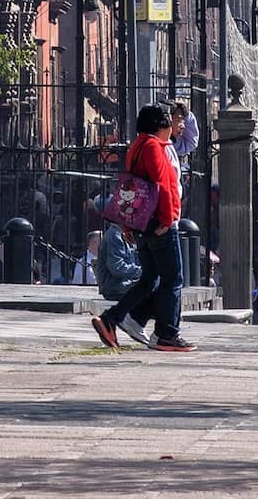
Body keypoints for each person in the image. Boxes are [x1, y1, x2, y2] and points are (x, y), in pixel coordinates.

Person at [91, 104, 194, 352]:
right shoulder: (153, 147)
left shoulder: (137, 147)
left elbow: (133, 188)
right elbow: (162, 185)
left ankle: (111, 319)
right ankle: (167, 333)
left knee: (149, 279)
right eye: (169, 123)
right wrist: (168, 219)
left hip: (143, 224)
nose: (172, 129)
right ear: (160, 125)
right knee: (173, 278)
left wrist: (127, 223)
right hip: (159, 223)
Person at [96, 222, 155, 345]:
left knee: (156, 285)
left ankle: (135, 320)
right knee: (154, 288)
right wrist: (143, 271)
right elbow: (117, 267)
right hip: (115, 286)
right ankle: (134, 320)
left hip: (125, 283)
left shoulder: (125, 234)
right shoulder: (114, 236)